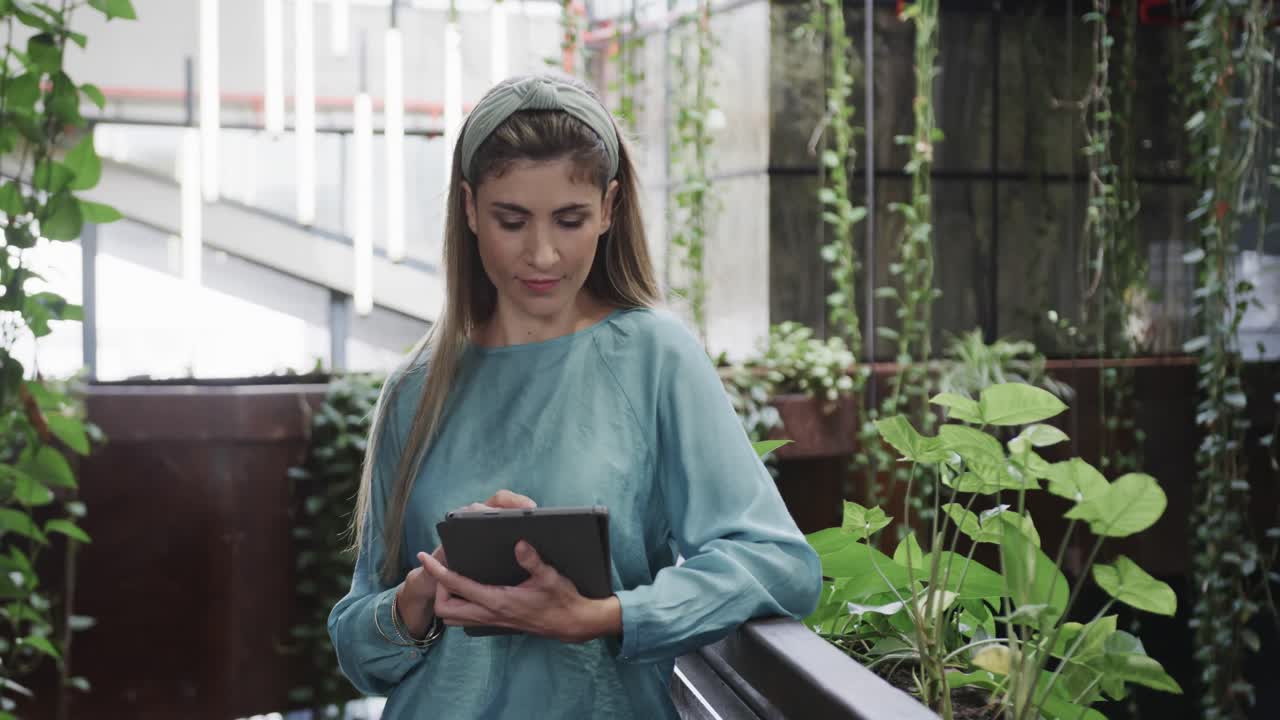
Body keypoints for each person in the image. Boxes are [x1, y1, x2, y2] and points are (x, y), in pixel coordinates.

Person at [327, 73, 822, 719]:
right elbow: (360, 648)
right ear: (471, 209)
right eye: (512, 220)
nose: (542, 254)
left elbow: (780, 565)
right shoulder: (417, 387)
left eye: (570, 219)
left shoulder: (655, 358)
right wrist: (421, 594)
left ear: (610, 208)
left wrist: (606, 615)